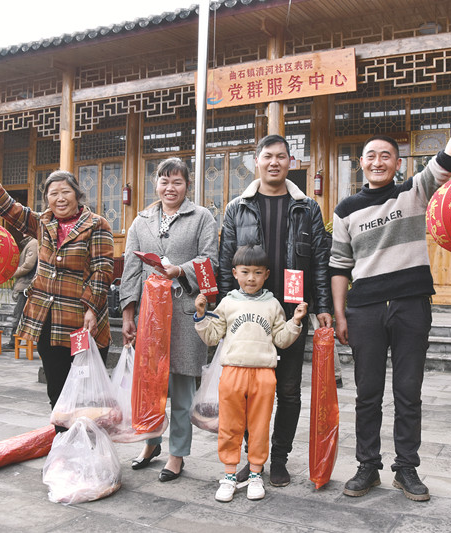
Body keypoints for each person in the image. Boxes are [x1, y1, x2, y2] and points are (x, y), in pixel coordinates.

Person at [330, 87, 451, 501]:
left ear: (397, 163)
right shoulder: (346, 209)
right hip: (365, 309)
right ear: (361, 163)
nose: (378, 161)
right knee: (367, 394)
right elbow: (338, 267)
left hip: (410, 306)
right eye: (370, 155)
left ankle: (406, 469)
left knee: (408, 392)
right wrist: (340, 314)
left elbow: (450, 156)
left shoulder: (415, 191)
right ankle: (367, 466)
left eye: (386, 155)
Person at [218, 134, 332, 487]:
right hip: (249, 314)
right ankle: (254, 460)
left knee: (288, 390)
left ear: (290, 162)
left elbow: (320, 263)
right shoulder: (237, 207)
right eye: (268, 156)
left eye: (281, 157)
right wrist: (224, 312)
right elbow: (225, 265)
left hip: (291, 313)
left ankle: (278, 457)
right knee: (250, 390)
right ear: (257, 161)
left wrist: (322, 306)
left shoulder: (308, 208)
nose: (274, 163)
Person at [0, 148, 114, 421]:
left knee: (83, 391)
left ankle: (88, 449)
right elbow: (8, 208)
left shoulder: (97, 224)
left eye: (65, 192)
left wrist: (91, 309)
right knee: (57, 387)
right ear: (46, 198)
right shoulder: (42, 222)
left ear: (77, 194)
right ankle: (63, 447)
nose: (60, 198)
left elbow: (102, 271)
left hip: (82, 320)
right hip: (47, 320)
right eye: (53, 193)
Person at [120, 157, 218, 482]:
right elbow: (131, 270)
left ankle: (177, 454)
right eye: (164, 181)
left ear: (187, 185)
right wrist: (128, 312)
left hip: (184, 311)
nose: (170, 187)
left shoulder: (201, 217)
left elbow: (209, 261)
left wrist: (181, 270)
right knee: (150, 384)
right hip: (150, 314)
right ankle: (150, 444)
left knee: (180, 385)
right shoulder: (141, 220)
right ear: (156, 184)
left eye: (177, 181)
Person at [195, 245, 307, 502]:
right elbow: (212, 337)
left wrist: (296, 321)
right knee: (230, 426)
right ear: (235, 273)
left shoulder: (273, 305)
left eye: (257, 273)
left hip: (264, 374)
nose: (251, 278)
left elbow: (281, 338)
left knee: (258, 426)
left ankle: (256, 473)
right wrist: (201, 316)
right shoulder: (227, 303)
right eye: (245, 272)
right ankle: (229, 474)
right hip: (232, 372)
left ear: (267, 274)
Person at [3, 234, 38, 350]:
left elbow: (28, 265)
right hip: (25, 285)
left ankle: (13, 342)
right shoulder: (31, 243)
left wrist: (11, 273)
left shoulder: (34, 243)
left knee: (19, 315)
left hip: (26, 286)